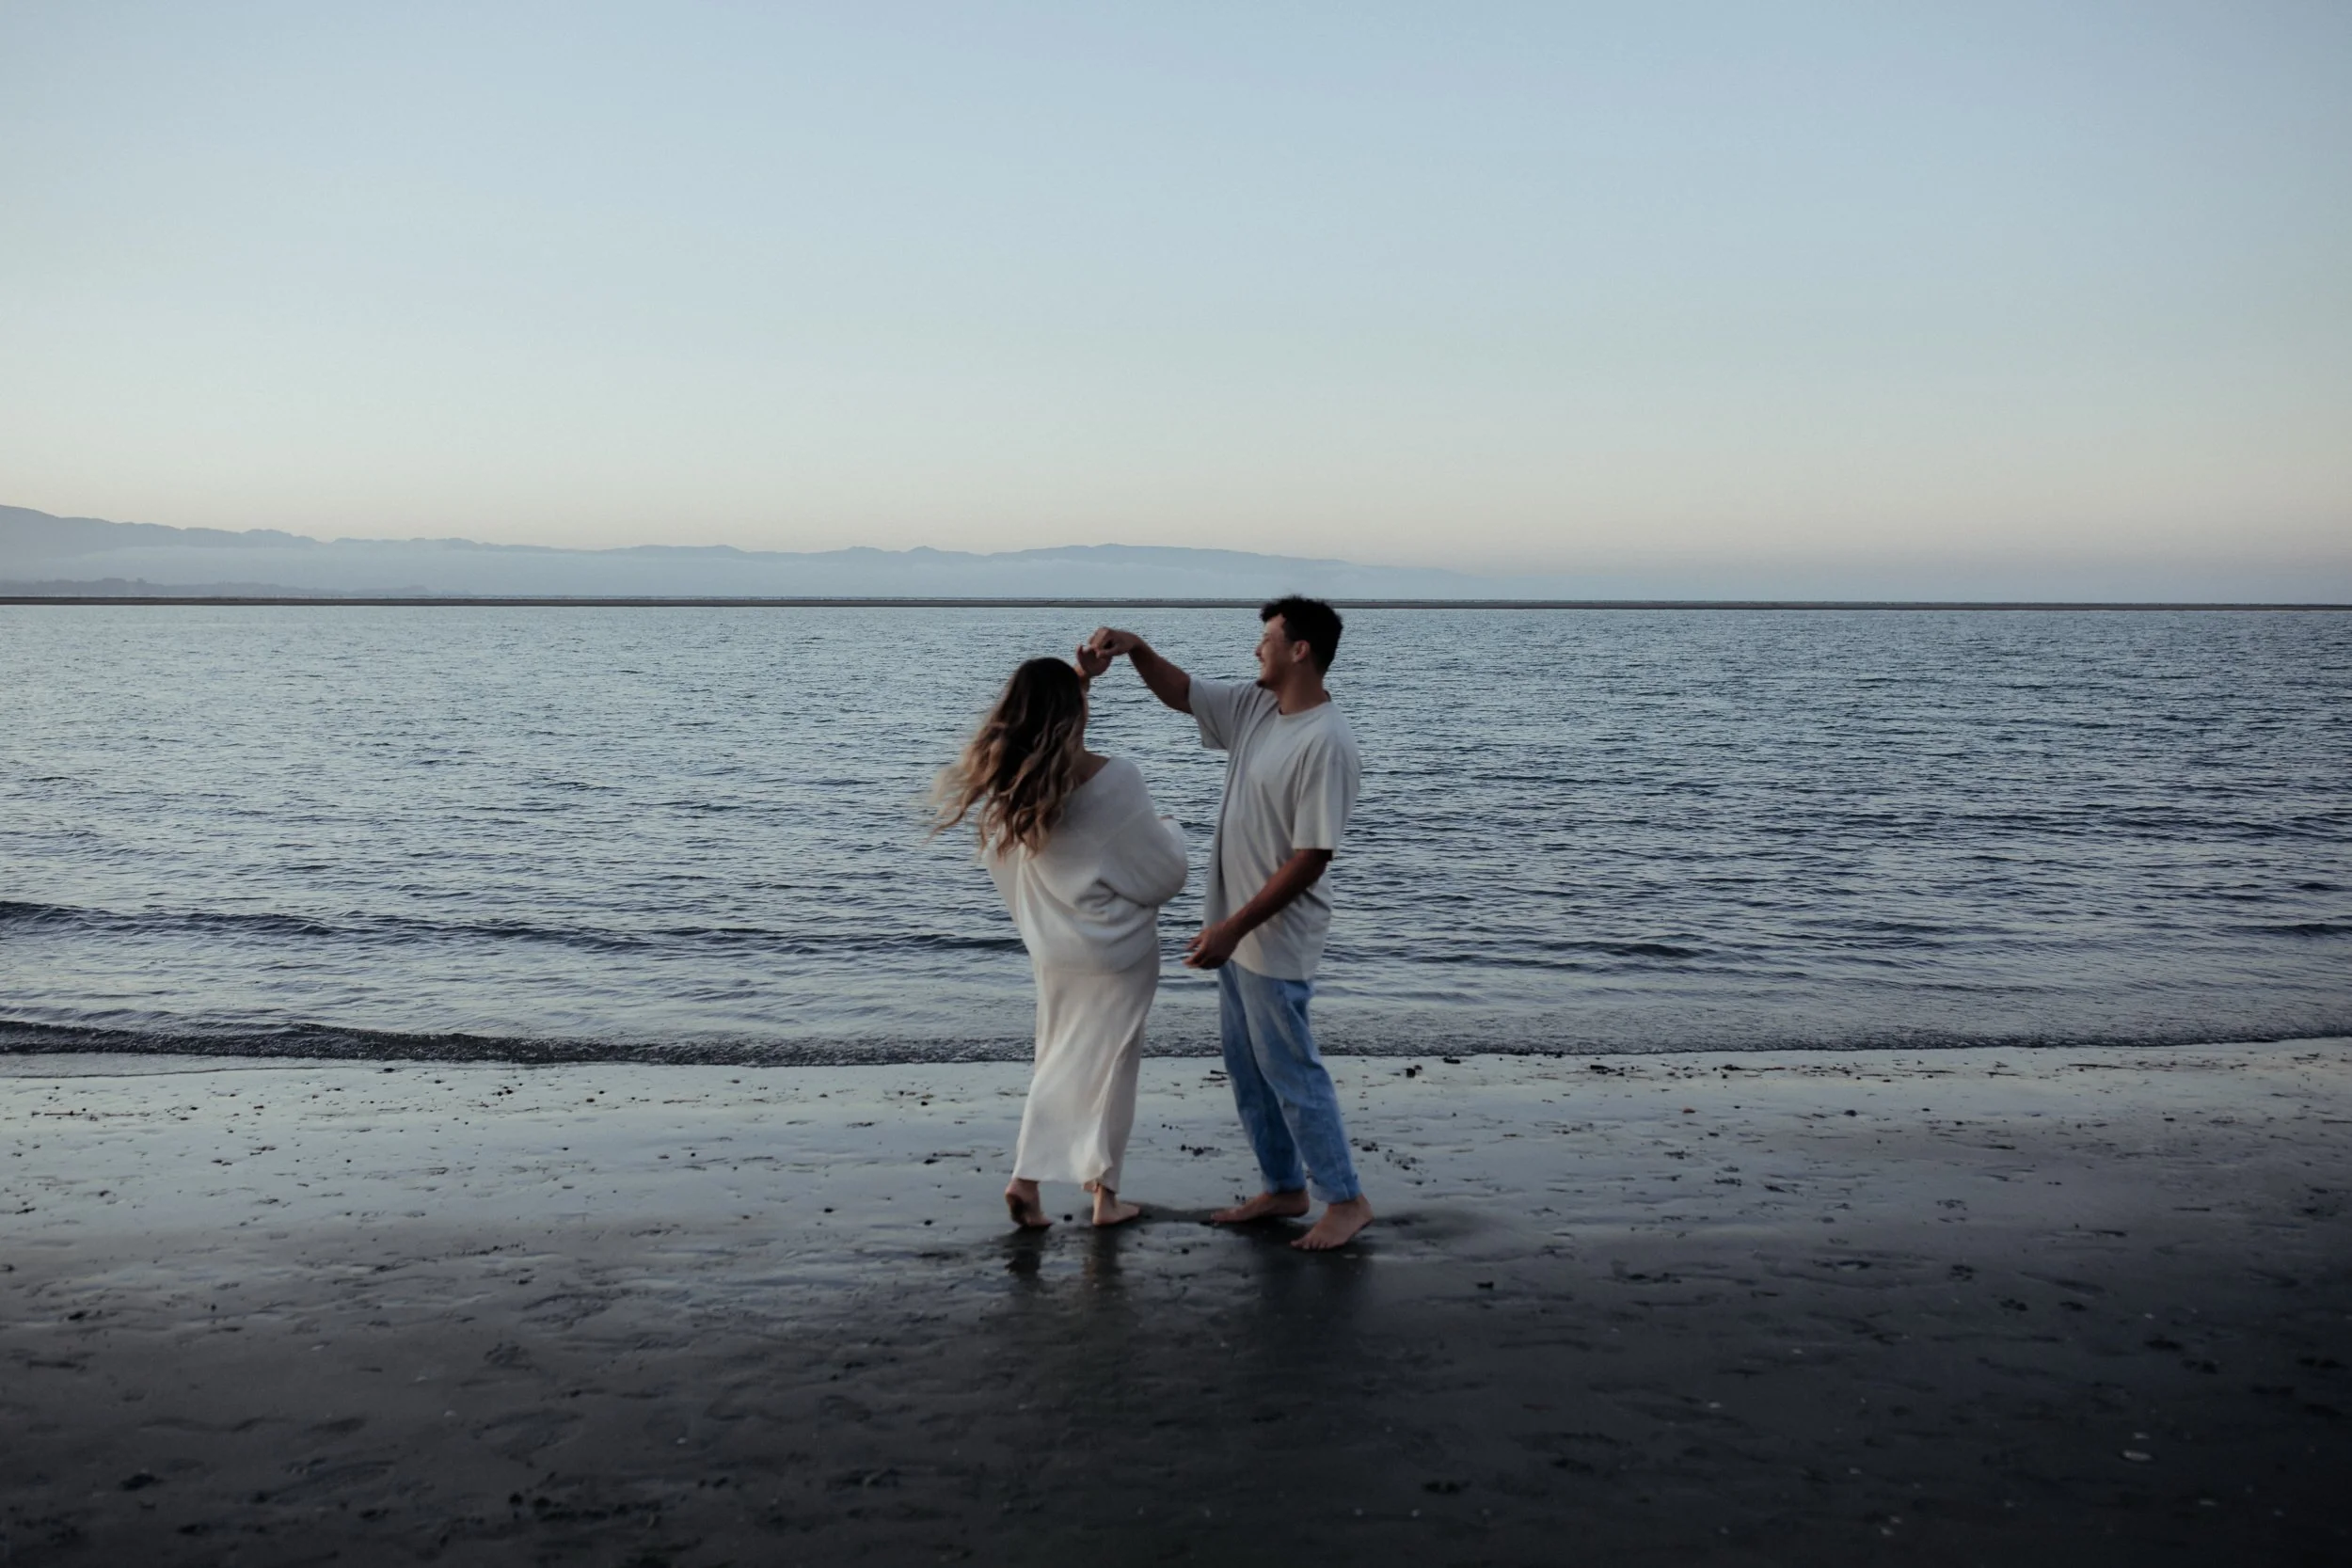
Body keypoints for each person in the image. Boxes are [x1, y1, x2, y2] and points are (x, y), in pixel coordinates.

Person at [1079, 598, 1372, 1250]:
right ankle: (1284, 1186)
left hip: (1275, 937)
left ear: (1300, 650)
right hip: (1236, 932)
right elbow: (1182, 694)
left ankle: (1346, 1199)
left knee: (1291, 1069)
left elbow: (1312, 857)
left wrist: (1235, 927)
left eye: (1267, 638)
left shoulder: (1326, 741)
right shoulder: (1257, 707)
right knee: (1248, 1069)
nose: (1256, 648)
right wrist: (1136, 647)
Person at [933, 656, 1188, 1228]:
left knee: (1058, 1058)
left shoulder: (1012, 784)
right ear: (1078, 713)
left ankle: (1027, 1180)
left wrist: (1082, 678)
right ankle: (1105, 1197)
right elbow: (1164, 876)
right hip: (1115, 952)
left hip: (1054, 948)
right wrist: (1170, 828)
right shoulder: (1115, 781)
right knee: (1113, 1066)